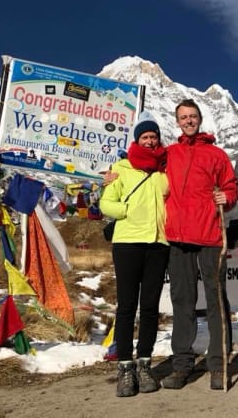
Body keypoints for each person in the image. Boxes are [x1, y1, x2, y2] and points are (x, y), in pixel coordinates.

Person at [161, 99, 238, 391]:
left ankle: (218, 365)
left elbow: (231, 186)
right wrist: (113, 175)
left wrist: (227, 198)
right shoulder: (169, 153)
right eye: (184, 117)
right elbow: (142, 168)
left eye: (193, 116)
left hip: (210, 236)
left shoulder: (217, 155)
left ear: (200, 119)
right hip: (178, 238)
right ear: (177, 121)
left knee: (216, 300)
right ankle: (182, 366)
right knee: (182, 301)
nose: (189, 121)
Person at [99, 110, 169, 398]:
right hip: (127, 243)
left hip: (158, 243)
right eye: (145, 137)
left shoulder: (165, 171)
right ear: (137, 140)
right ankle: (125, 367)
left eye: (154, 137)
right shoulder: (121, 168)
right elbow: (106, 203)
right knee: (127, 306)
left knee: (150, 307)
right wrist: (127, 210)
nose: (150, 141)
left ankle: (145, 363)